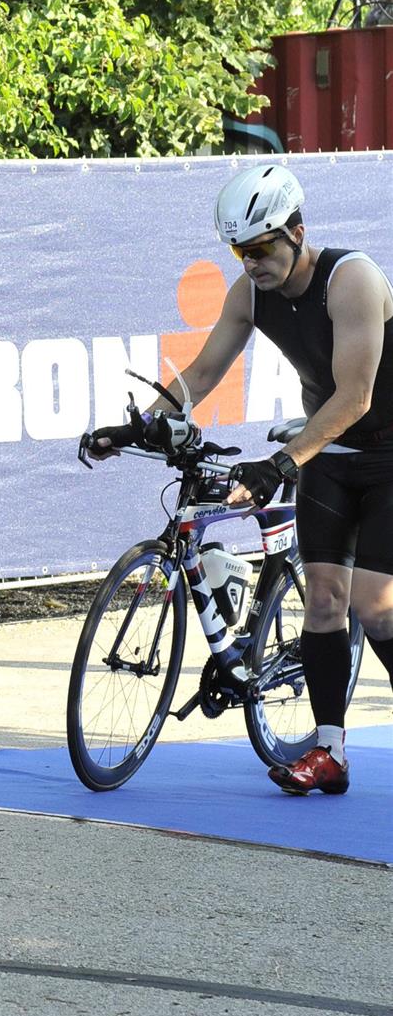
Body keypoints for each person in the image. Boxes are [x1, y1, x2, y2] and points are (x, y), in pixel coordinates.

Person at [100, 162, 393, 793]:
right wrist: (135, 426)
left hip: (387, 452)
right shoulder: (251, 293)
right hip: (330, 457)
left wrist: (281, 464)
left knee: (374, 607)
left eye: (261, 248)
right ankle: (330, 753)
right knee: (324, 602)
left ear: (297, 232)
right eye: (240, 251)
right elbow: (202, 373)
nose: (251, 262)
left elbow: (355, 397)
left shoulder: (353, 280)